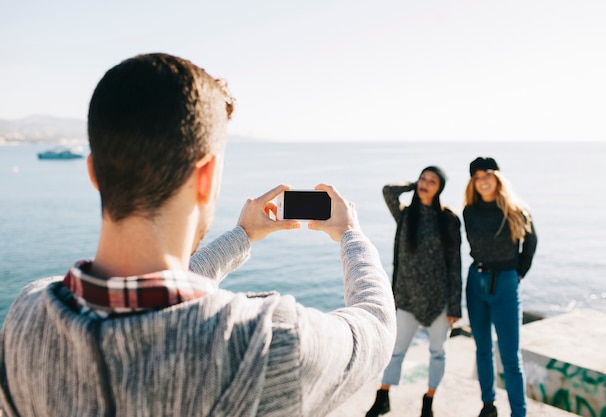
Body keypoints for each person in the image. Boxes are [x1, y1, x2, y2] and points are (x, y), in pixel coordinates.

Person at [0, 53, 396, 417]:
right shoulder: (267, 344)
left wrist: (242, 236)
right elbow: (376, 326)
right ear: (206, 178)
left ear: (93, 173)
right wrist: (350, 234)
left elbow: (154, 296)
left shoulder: (25, 320)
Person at [365, 166, 462, 417]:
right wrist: (412, 186)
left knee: (438, 353)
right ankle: (383, 397)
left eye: (432, 181)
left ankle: (428, 402)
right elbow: (388, 191)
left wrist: (454, 306)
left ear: (440, 188)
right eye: (423, 179)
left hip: (439, 300)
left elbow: (455, 263)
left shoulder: (449, 219)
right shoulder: (407, 215)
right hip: (407, 298)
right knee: (394, 351)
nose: (425, 184)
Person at [463, 157, 538, 417]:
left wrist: (518, 274)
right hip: (475, 282)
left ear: (497, 178)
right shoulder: (469, 211)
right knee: (482, 349)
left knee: (510, 357)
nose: (483, 181)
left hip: (506, 283)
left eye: (487, 175)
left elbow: (530, 244)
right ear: (473, 181)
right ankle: (488, 406)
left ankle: (519, 413)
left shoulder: (516, 209)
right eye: (477, 177)